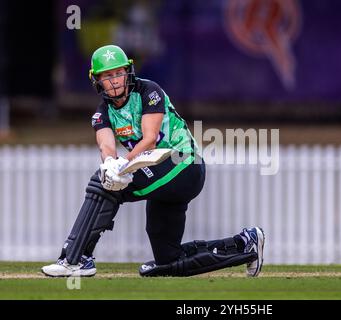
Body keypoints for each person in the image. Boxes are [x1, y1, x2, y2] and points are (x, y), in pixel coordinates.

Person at [41, 45, 265, 277]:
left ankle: (76, 258)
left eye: (118, 73)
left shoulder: (149, 91)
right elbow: (106, 145)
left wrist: (122, 164)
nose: (115, 80)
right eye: (107, 76)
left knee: (105, 184)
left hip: (183, 165)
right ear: (96, 80)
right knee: (168, 261)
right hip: (157, 174)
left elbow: (149, 139)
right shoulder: (102, 113)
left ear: (128, 72)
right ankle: (245, 245)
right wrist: (110, 162)